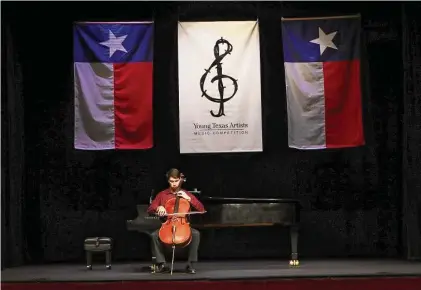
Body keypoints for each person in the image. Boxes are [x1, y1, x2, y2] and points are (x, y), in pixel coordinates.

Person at [147, 168, 205, 274]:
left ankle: (190, 264)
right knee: (154, 235)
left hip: (183, 225)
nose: (174, 184)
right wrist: (158, 207)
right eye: (171, 181)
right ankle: (162, 264)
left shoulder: (186, 194)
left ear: (180, 180)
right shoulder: (162, 195)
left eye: (176, 181)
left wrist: (188, 198)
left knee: (196, 234)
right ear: (168, 181)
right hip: (167, 225)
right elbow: (150, 209)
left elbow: (201, 209)